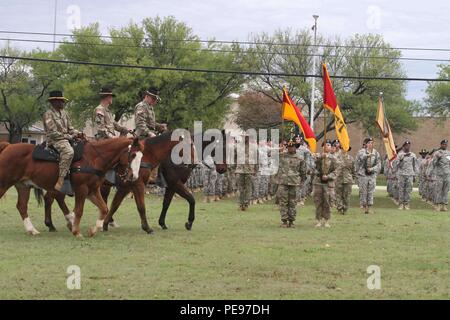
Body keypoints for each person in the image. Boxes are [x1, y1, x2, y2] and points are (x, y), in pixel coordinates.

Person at [43, 90, 81, 191]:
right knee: (69, 152)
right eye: (60, 101)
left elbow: (70, 128)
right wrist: (69, 136)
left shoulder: (65, 113)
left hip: (66, 138)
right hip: (55, 140)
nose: (63, 103)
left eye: (63, 101)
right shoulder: (48, 114)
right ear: (54, 102)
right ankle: (61, 179)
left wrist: (78, 133)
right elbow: (53, 133)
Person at [134, 87, 167, 184]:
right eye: (153, 99)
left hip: (149, 136)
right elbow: (141, 124)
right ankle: (146, 176)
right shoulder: (141, 106)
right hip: (142, 136)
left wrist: (159, 126)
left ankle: (154, 176)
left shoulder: (149, 107)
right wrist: (150, 133)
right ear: (147, 96)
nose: (155, 101)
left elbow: (150, 123)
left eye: (155, 99)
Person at [277, 140, 306, 228]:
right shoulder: (282, 155)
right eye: (289, 147)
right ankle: (284, 221)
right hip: (284, 182)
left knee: (292, 202)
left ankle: (291, 220)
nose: (290, 149)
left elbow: (303, 171)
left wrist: (302, 181)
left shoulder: (300, 158)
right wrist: (279, 149)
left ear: (295, 148)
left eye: (292, 147)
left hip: (294, 183)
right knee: (283, 202)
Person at [313, 140, 338, 228]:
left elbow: (336, 170)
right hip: (319, 182)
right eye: (325, 145)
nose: (327, 147)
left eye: (329, 145)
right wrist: (320, 158)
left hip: (328, 183)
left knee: (328, 202)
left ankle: (327, 220)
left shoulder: (334, 158)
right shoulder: (318, 156)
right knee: (318, 201)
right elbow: (313, 166)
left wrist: (328, 176)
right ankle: (318, 220)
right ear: (323, 147)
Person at [355, 137, 381, 214]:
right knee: (363, 191)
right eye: (369, 143)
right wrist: (367, 155)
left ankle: (369, 207)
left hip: (372, 175)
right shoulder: (361, 152)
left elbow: (379, 164)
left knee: (371, 191)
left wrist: (372, 169)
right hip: (363, 174)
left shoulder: (376, 153)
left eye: (372, 143)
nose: (370, 144)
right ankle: (364, 206)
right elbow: (361, 158)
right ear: (365, 144)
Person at [235, 135, 258, 211]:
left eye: (247, 137)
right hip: (240, 170)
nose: (246, 138)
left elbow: (257, 159)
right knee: (240, 188)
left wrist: (256, 170)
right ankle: (240, 204)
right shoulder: (237, 147)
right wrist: (234, 168)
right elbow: (233, 157)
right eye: (244, 137)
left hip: (249, 170)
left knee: (248, 188)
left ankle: (246, 204)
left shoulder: (254, 147)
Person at [394, 140, 418, 210]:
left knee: (408, 190)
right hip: (401, 174)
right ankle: (401, 204)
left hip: (410, 174)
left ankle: (407, 203)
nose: (408, 147)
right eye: (406, 145)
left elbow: (414, 166)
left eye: (409, 145)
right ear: (404, 146)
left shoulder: (413, 155)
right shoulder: (400, 155)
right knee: (401, 189)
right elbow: (397, 165)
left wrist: (414, 175)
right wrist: (402, 159)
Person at [335, 145, 355, 214]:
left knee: (346, 196)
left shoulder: (351, 159)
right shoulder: (336, 158)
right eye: (343, 148)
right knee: (338, 195)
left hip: (348, 180)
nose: (344, 149)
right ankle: (339, 208)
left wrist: (353, 178)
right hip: (338, 179)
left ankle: (345, 208)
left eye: (346, 148)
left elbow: (353, 170)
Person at [432, 139, 450, 212]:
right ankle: (437, 205)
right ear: (441, 145)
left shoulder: (449, 153)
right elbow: (433, 164)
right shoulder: (437, 153)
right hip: (439, 174)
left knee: (445, 190)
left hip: (447, 174)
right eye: (444, 144)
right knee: (438, 190)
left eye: (446, 144)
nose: (445, 145)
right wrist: (438, 159)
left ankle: (444, 205)